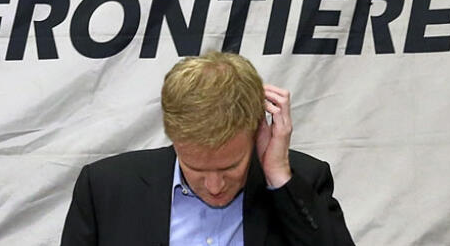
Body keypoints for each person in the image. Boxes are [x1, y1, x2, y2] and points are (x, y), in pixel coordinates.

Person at [60, 51, 354, 245]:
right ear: (174, 137)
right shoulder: (106, 188)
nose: (214, 187)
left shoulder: (301, 182)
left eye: (230, 167)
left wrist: (278, 176)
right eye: (196, 169)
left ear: (256, 131)